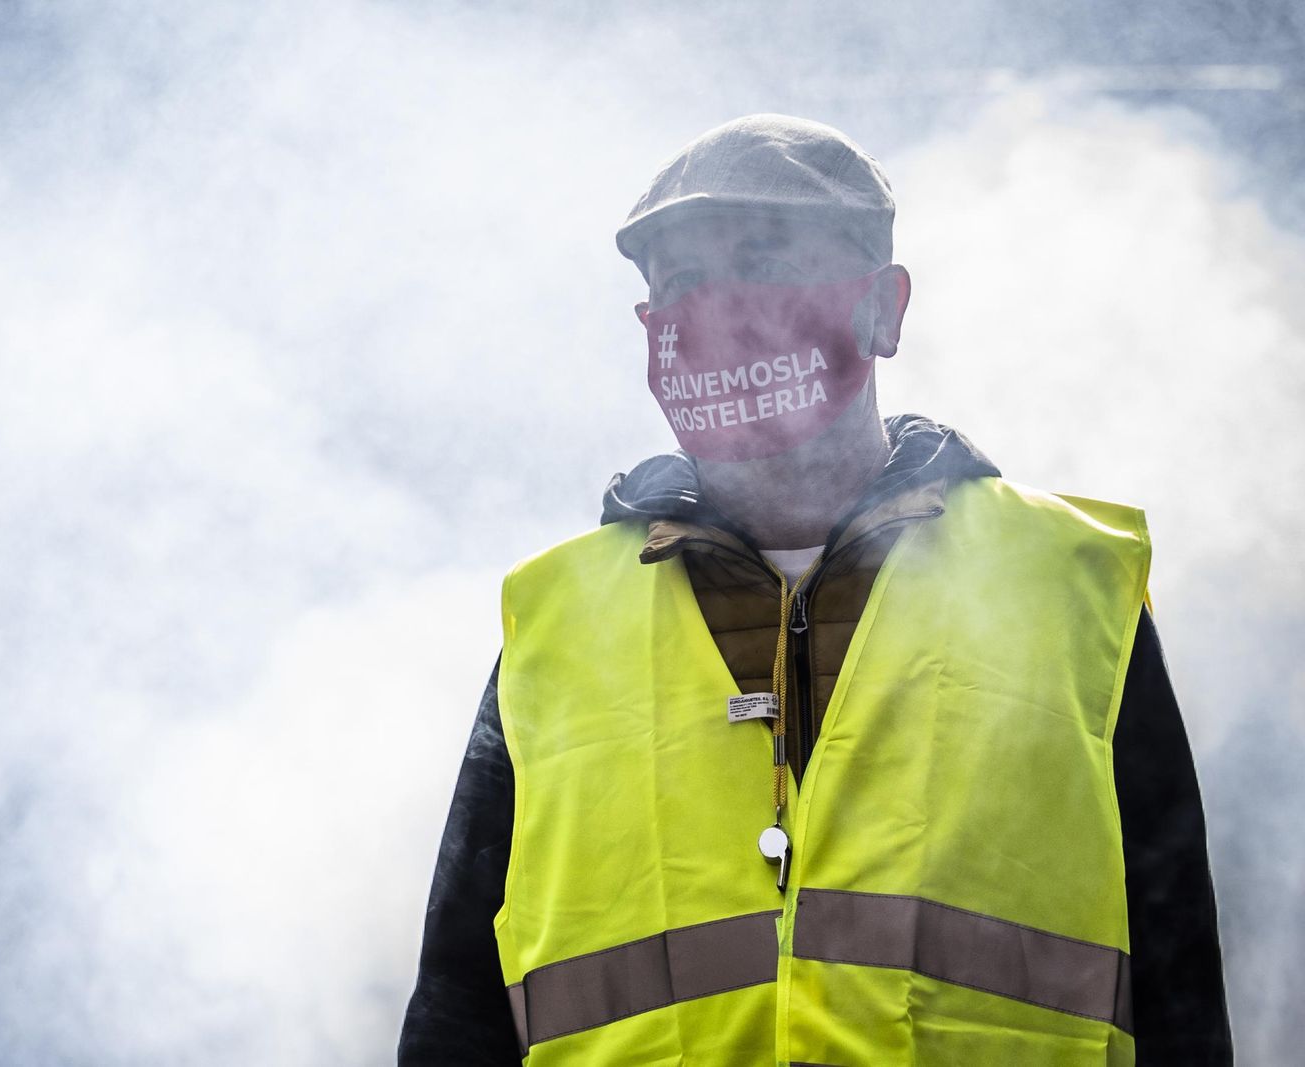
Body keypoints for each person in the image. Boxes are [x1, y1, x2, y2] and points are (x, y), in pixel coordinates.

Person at [398, 114, 1231, 1065]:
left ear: (884, 306)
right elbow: (456, 1006)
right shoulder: (554, 622)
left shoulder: (1074, 587)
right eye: (679, 284)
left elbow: (1179, 990)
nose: (719, 311)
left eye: (765, 263)